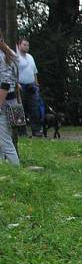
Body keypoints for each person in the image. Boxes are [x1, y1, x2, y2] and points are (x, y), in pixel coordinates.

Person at [0, 30, 21, 166]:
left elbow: (5, 84)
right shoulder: (10, 55)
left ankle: (16, 171)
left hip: (5, 103)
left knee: (5, 140)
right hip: (12, 102)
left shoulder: (2, 57)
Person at [16, 37, 42, 138]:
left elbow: (34, 72)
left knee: (34, 108)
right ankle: (21, 132)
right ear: (19, 45)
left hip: (31, 86)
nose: (27, 47)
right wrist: (16, 83)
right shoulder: (15, 56)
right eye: (24, 45)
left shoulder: (30, 57)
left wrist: (37, 84)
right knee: (20, 109)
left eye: (28, 45)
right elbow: (13, 71)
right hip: (20, 86)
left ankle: (36, 131)